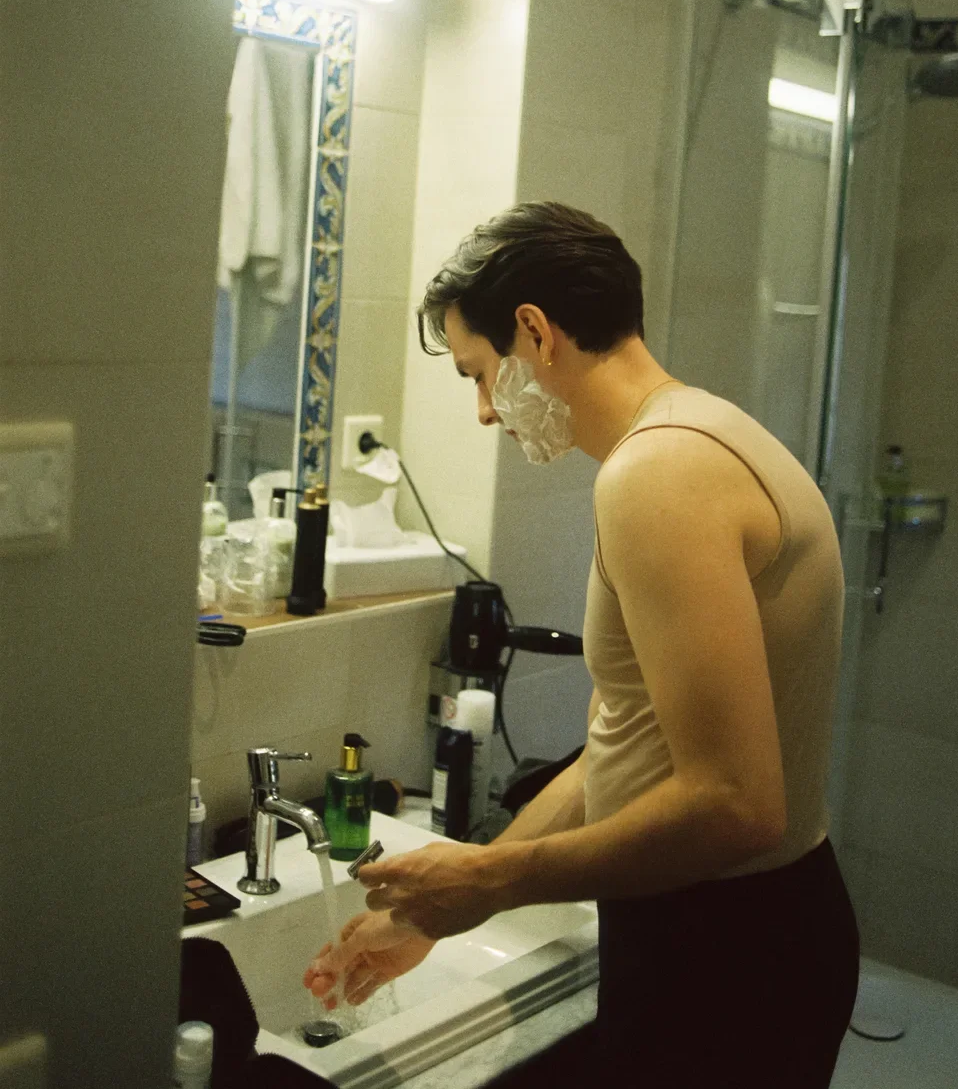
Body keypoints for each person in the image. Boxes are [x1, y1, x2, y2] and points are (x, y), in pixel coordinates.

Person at [304, 201, 860, 1087]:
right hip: (742, 929)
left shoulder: (659, 477)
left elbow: (734, 805)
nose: (485, 412)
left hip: (729, 948)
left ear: (533, 331)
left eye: (479, 374)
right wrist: (451, 897)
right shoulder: (695, 437)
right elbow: (622, 752)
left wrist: (495, 883)